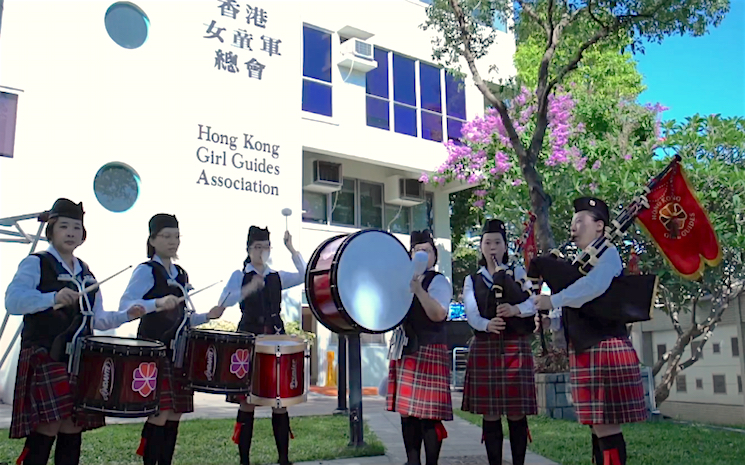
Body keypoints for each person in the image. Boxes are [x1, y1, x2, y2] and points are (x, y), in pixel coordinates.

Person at [6, 198, 146, 465]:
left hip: (79, 359)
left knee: (73, 426)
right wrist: (52, 298)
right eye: (64, 227)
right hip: (46, 355)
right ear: (52, 231)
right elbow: (13, 301)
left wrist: (127, 315)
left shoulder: (87, 273)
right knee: (47, 426)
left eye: (76, 228)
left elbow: (99, 319)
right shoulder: (36, 263)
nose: (71, 233)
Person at [534, 197, 647, 465]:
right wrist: (552, 320)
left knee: (606, 426)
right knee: (596, 426)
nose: (573, 227)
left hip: (605, 348)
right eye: (572, 223)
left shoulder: (608, 254)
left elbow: (592, 288)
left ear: (599, 226)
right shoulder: (582, 261)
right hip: (587, 348)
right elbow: (580, 306)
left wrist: (554, 300)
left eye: (580, 221)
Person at [119, 213, 225, 465]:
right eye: (166, 236)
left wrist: (207, 316)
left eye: (176, 236)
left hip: (178, 352)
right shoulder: (146, 271)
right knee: (160, 413)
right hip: (153, 352)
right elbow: (126, 306)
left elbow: (184, 318)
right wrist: (155, 303)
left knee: (175, 413)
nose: (173, 242)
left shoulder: (181, 274)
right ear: (152, 240)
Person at [217, 225, 305, 465]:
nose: (262, 252)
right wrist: (247, 289)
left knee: (280, 400)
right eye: (257, 247)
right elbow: (224, 300)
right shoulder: (240, 274)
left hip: (275, 337)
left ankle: (283, 458)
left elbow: (304, 274)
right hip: (248, 339)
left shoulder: (275, 275)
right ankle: (244, 459)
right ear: (248, 249)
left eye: (266, 247)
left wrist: (291, 248)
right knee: (248, 402)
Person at [462, 219, 537, 465]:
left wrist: (515, 309)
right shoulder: (472, 280)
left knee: (516, 412)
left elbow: (533, 302)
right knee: (491, 412)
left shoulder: (518, 273)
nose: (492, 247)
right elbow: (471, 312)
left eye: (497, 242)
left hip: (515, 345)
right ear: (481, 247)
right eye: (487, 242)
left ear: (505, 246)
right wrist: (487, 325)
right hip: (486, 346)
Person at [386, 230, 453, 465]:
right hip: (406, 350)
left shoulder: (439, 282)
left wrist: (419, 291)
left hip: (429, 349)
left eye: (427, 250)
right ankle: (412, 461)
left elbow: (438, 314)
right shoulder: (402, 280)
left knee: (429, 416)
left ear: (434, 256)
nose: (422, 254)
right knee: (407, 414)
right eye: (417, 250)